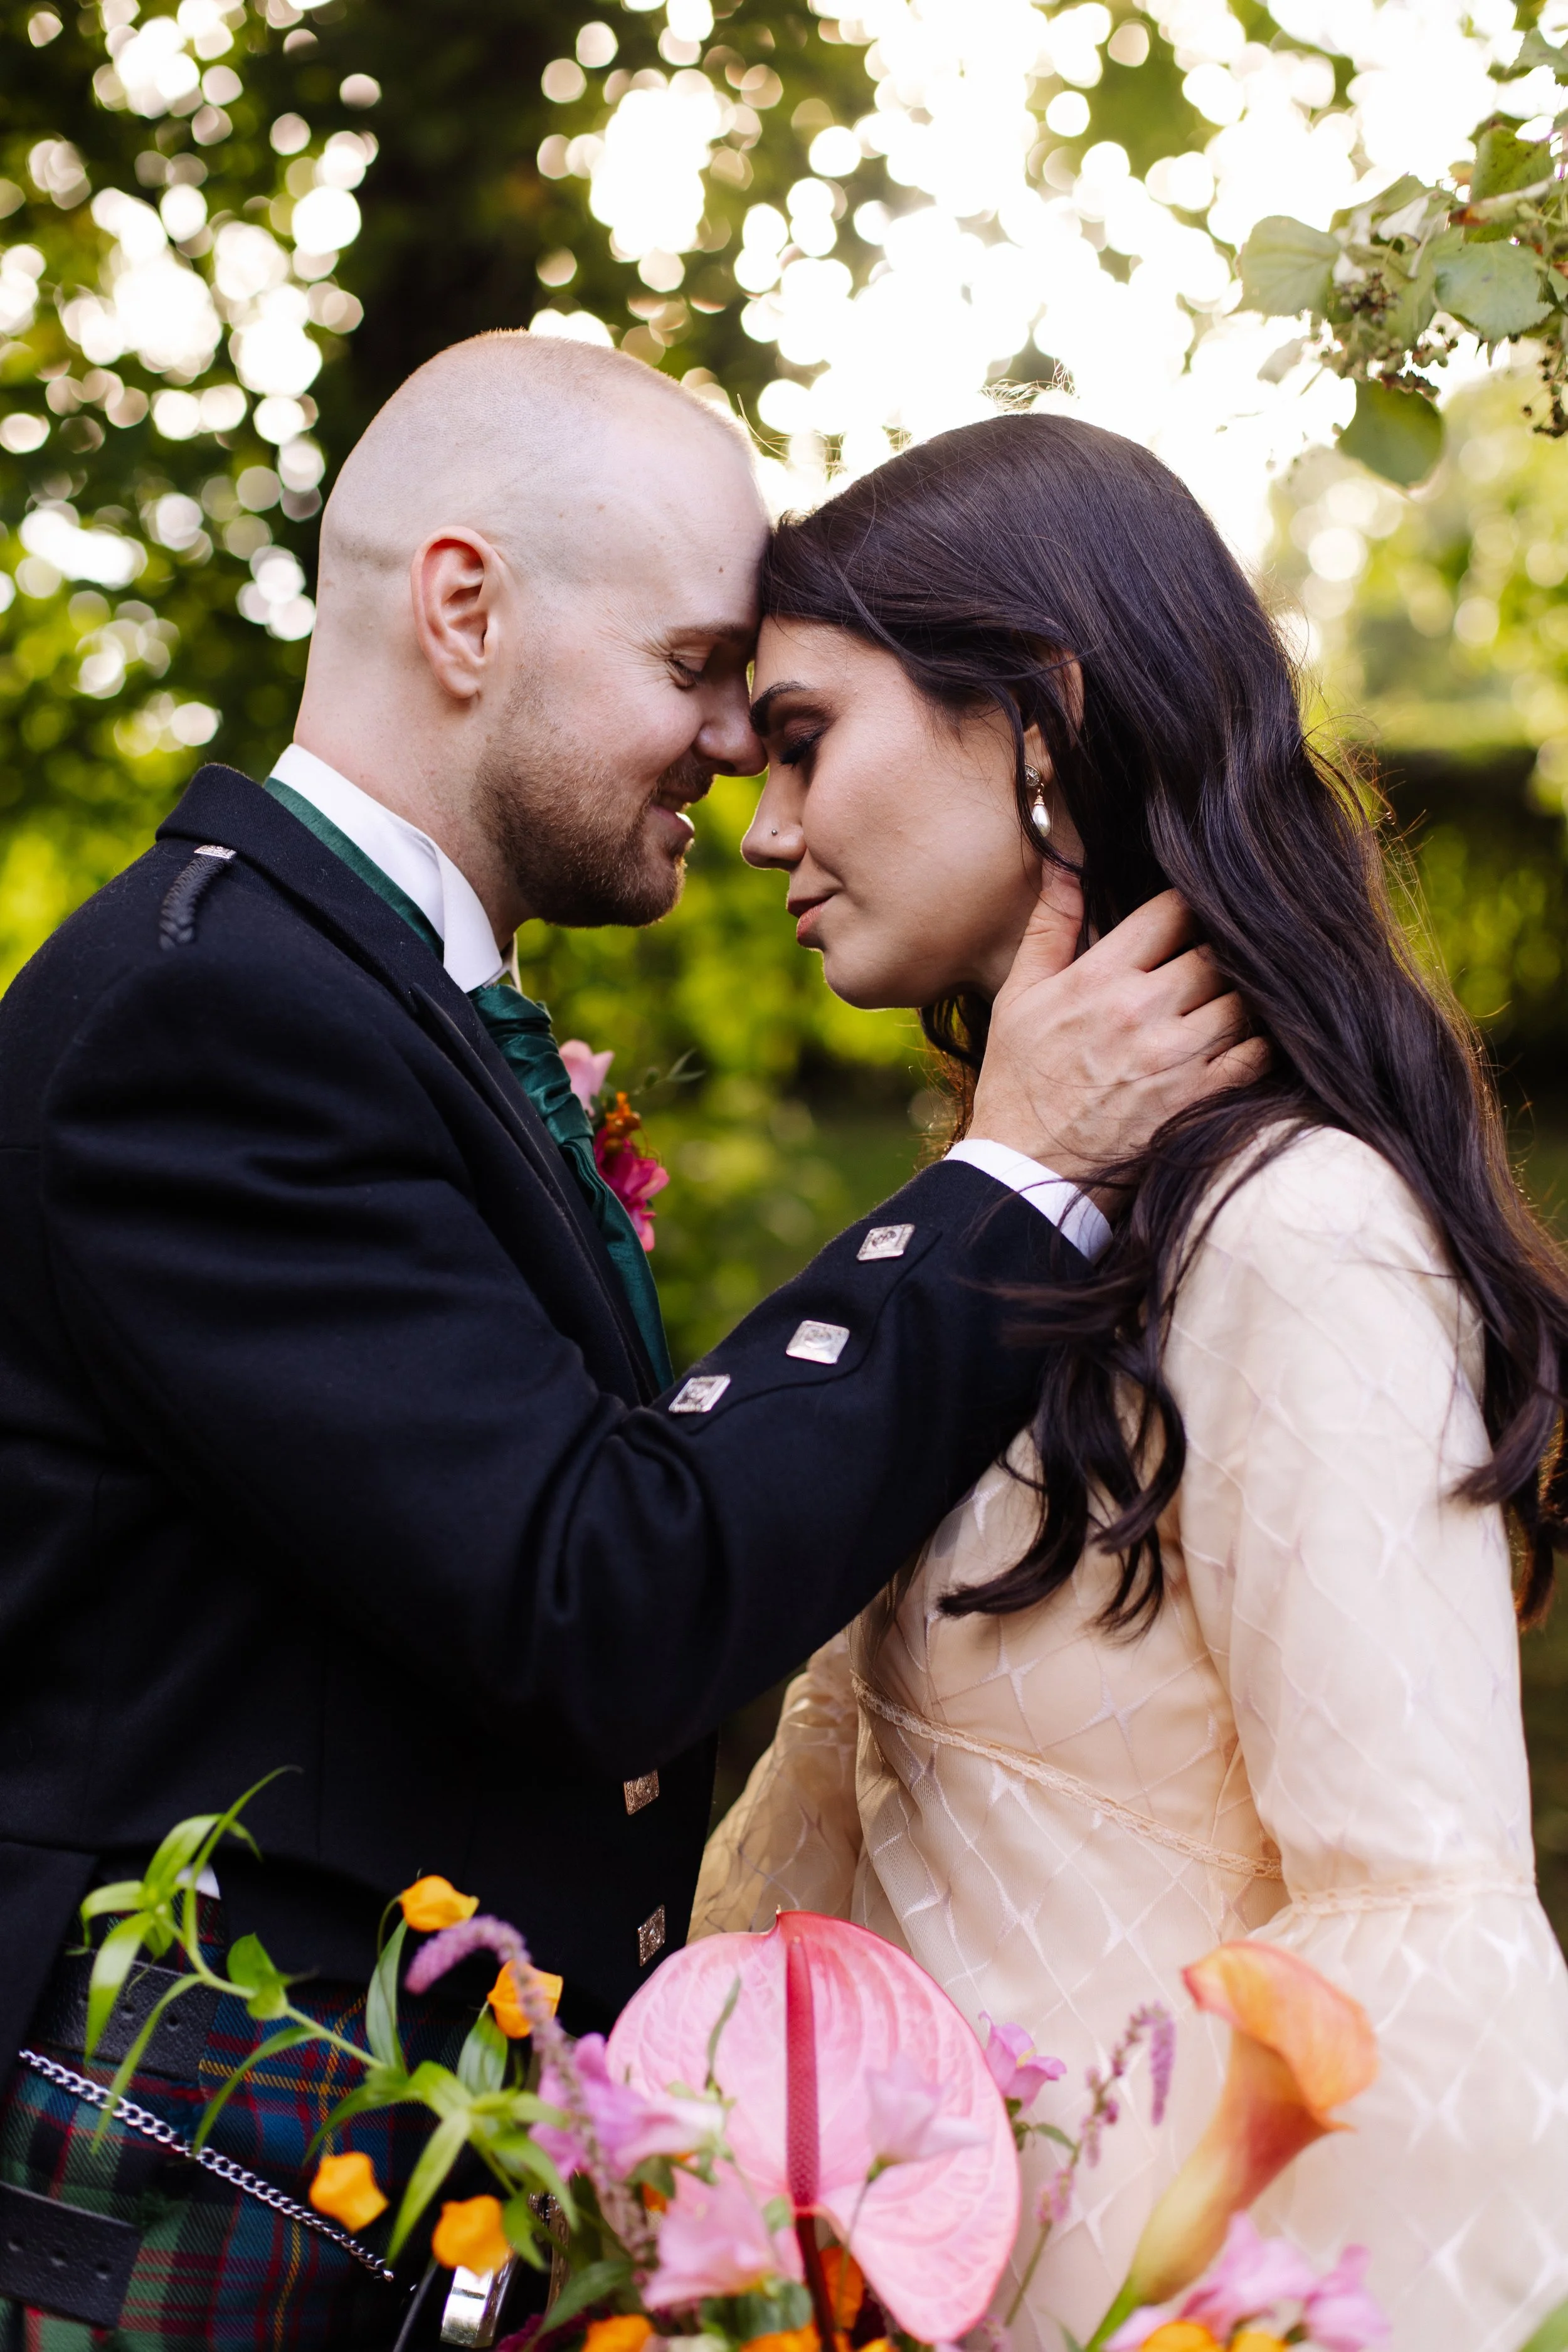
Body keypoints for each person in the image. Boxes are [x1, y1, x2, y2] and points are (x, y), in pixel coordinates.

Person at [0, 339, 1258, 2348]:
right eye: (692, 670)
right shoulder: (210, 1020)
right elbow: (596, 1594)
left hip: (385, 2183)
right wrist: (1009, 1175)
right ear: (464, 607)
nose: (730, 756)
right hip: (210, 2158)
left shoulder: (353, 997)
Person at [694, 411, 1568, 2352]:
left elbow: (1415, 1948)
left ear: (1037, 716)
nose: (761, 831)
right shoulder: (1008, 1221)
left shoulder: (1296, 1233)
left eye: (808, 738)